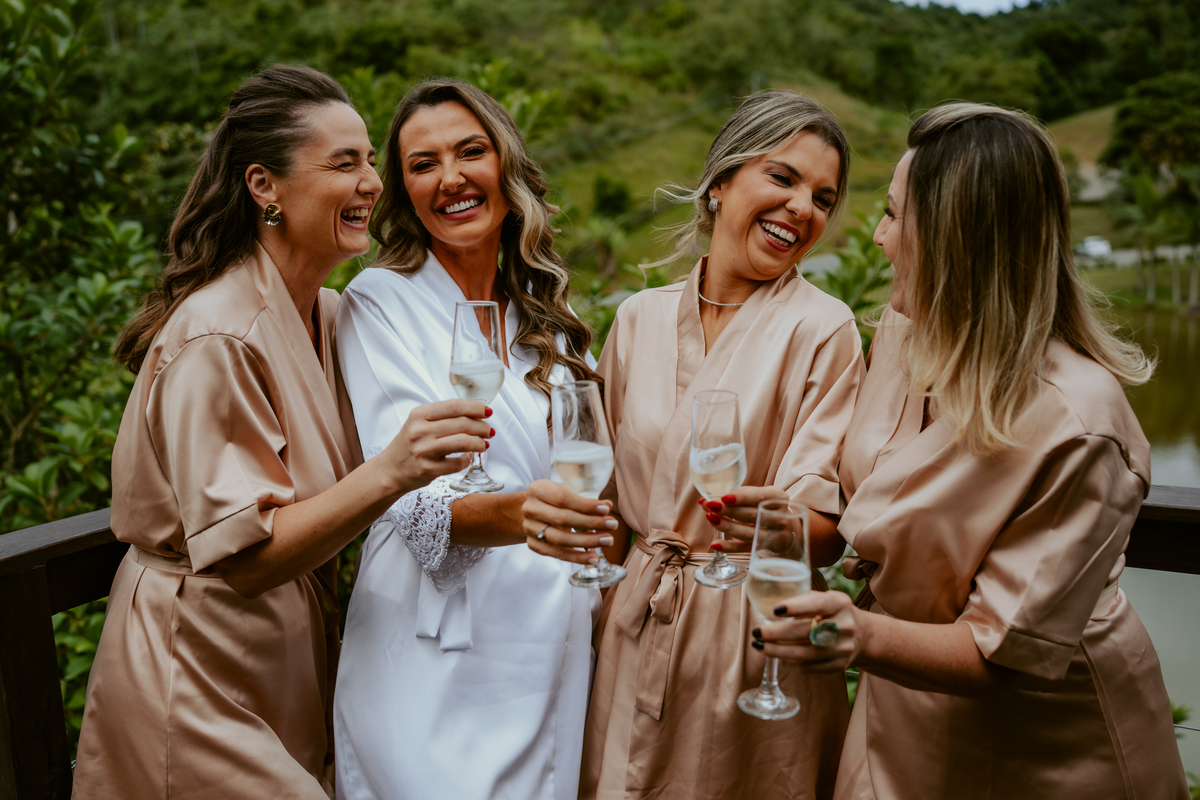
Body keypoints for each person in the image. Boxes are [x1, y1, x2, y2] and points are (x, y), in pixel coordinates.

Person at [72, 66, 492, 799]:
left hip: (290, 656)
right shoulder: (219, 336)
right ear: (264, 185)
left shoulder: (330, 314)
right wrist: (394, 469)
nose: (372, 183)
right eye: (343, 163)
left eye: (370, 161)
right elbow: (246, 558)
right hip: (199, 666)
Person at [758, 103, 1189, 799]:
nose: (878, 237)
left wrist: (858, 634)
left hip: (1042, 745)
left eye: (894, 215)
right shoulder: (901, 335)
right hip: (898, 706)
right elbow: (873, 489)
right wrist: (785, 518)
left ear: (957, 238)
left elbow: (1003, 652)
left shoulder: (1080, 423)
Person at [523, 91, 865, 800]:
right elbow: (607, 505)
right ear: (721, 183)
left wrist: (775, 523)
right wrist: (589, 623)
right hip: (636, 613)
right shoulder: (639, 319)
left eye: (823, 198)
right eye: (782, 178)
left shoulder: (824, 329)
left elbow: (826, 532)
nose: (802, 207)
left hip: (752, 631)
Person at [331, 79, 602, 800]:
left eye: (470, 152)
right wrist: (527, 513)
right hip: (432, 644)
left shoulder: (546, 315)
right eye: (423, 165)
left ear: (505, 166)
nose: (450, 178)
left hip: (550, 632)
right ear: (406, 193)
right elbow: (408, 498)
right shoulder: (380, 301)